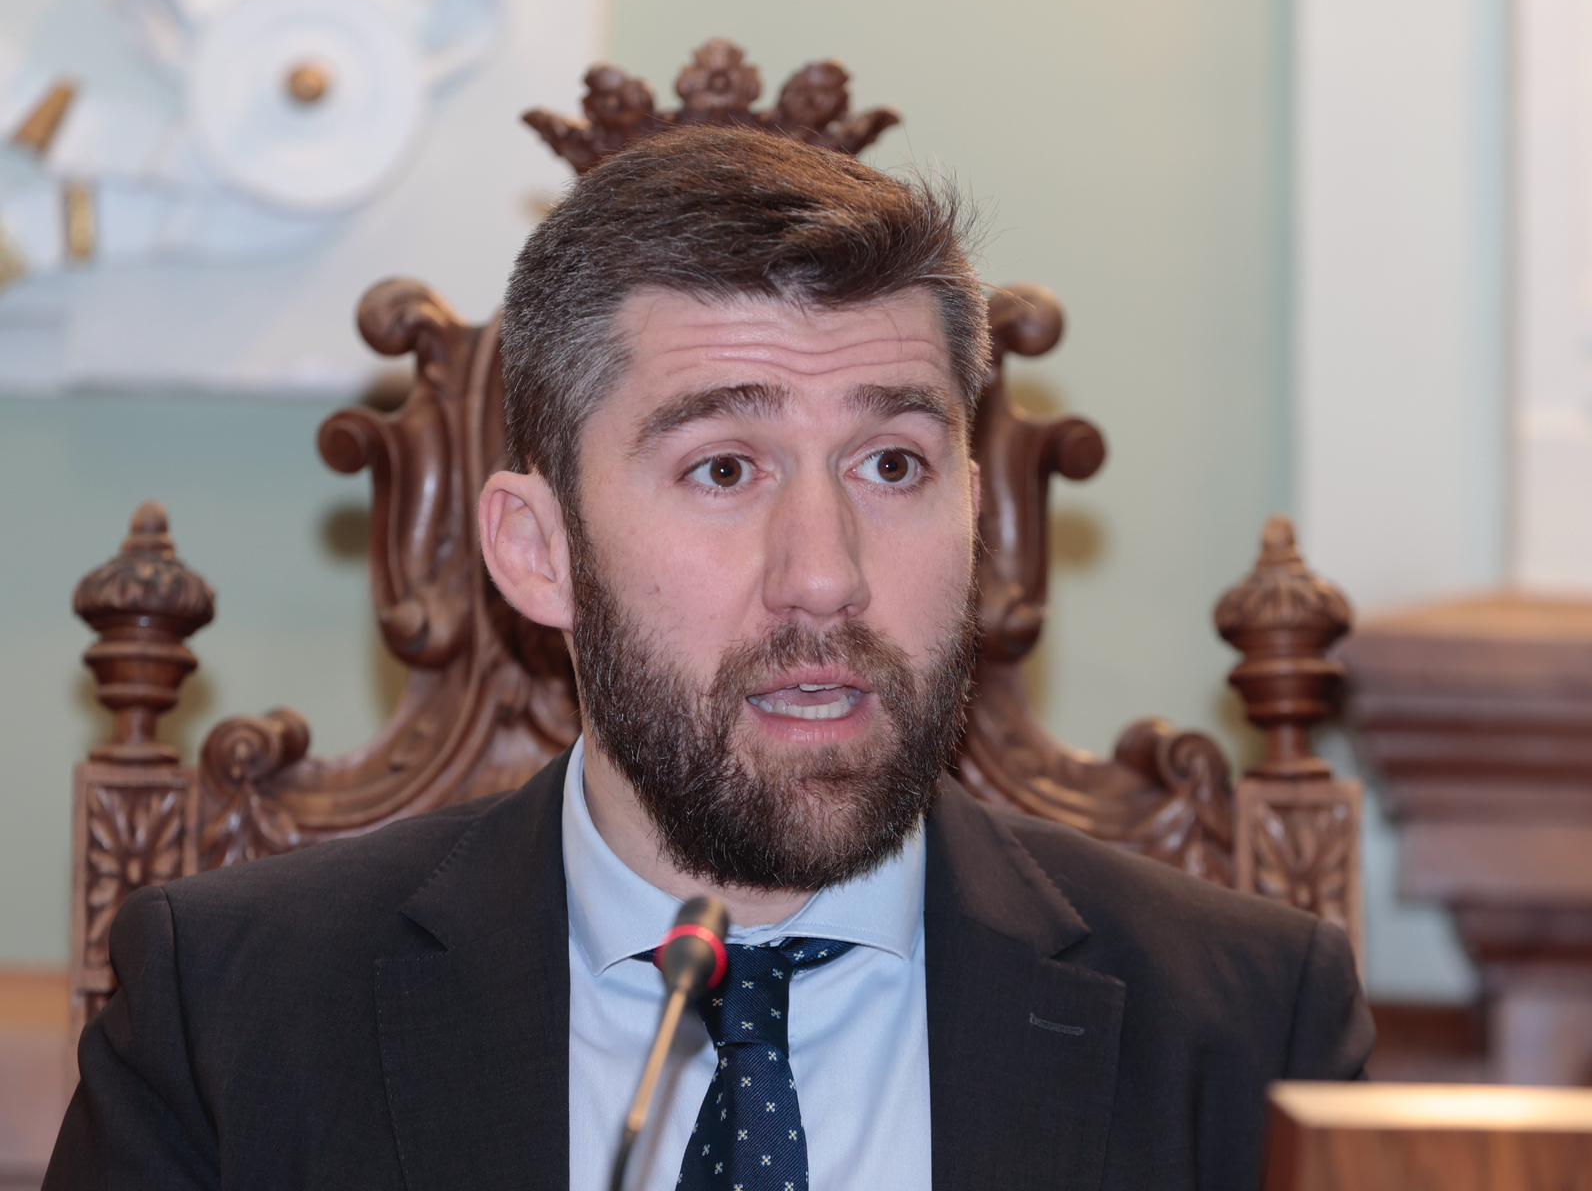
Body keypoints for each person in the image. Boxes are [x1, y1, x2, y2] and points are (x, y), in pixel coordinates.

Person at [46, 127, 1371, 1191]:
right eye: (725, 468)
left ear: (977, 512)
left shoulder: (1244, 1028)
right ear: (538, 550)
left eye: (892, 464)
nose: (825, 574)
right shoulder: (235, 1017)